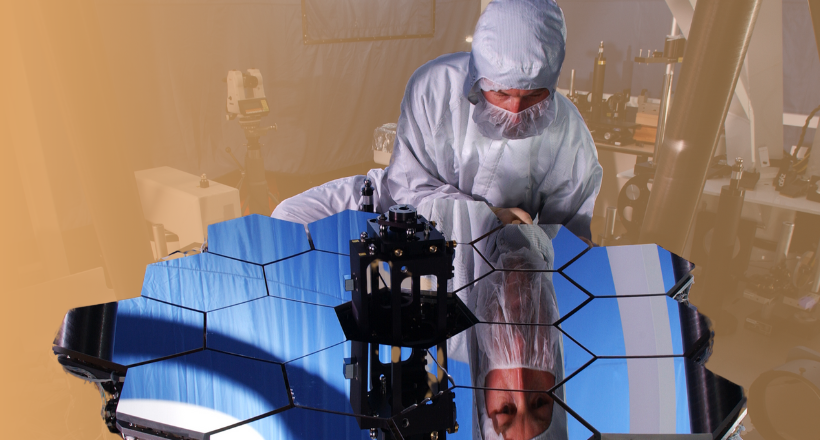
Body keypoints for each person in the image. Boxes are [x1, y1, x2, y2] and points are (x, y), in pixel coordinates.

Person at [272, 0, 602, 240]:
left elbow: (569, 247)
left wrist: (518, 242)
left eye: (532, 97)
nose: (515, 110)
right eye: (501, 94)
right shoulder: (435, 85)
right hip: (397, 209)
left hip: (490, 247)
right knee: (286, 219)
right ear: (479, 79)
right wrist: (488, 216)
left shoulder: (570, 137)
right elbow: (407, 187)